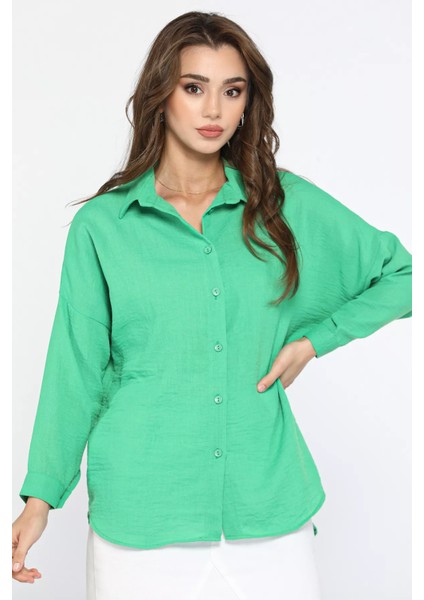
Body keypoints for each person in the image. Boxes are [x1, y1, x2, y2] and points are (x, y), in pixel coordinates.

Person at [12, 10, 412, 600]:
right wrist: (40, 499)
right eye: (194, 88)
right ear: (161, 95)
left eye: (232, 90)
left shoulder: (281, 204)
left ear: (249, 101)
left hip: (267, 507)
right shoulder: (104, 226)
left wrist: (313, 342)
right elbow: (76, 366)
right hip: (141, 516)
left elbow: (402, 274)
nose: (214, 110)